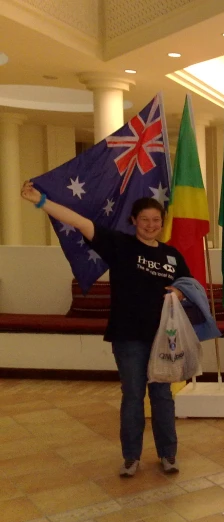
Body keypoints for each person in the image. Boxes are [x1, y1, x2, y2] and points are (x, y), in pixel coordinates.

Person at [21, 181, 190, 478]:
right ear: (134, 221)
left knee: (163, 396)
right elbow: (79, 222)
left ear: (162, 223)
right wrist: (41, 201)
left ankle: (168, 454)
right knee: (133, 395)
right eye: (145, 219)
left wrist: (178, 292)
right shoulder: (119, 245)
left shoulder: (172, 255)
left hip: (165, 339)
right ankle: (131, 458)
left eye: (156, 220)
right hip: (128, 337)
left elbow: (186, 286)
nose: (151, 225)